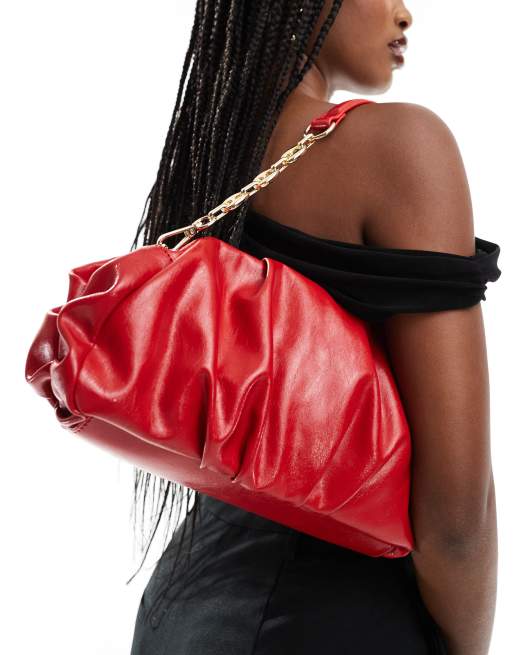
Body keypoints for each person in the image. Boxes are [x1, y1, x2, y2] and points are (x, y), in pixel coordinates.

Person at [128, 2, 501, 654]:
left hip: (181, 609)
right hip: (336, 621)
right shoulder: (400, 147)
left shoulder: (210, 151)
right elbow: (455, 522)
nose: (405, 14)